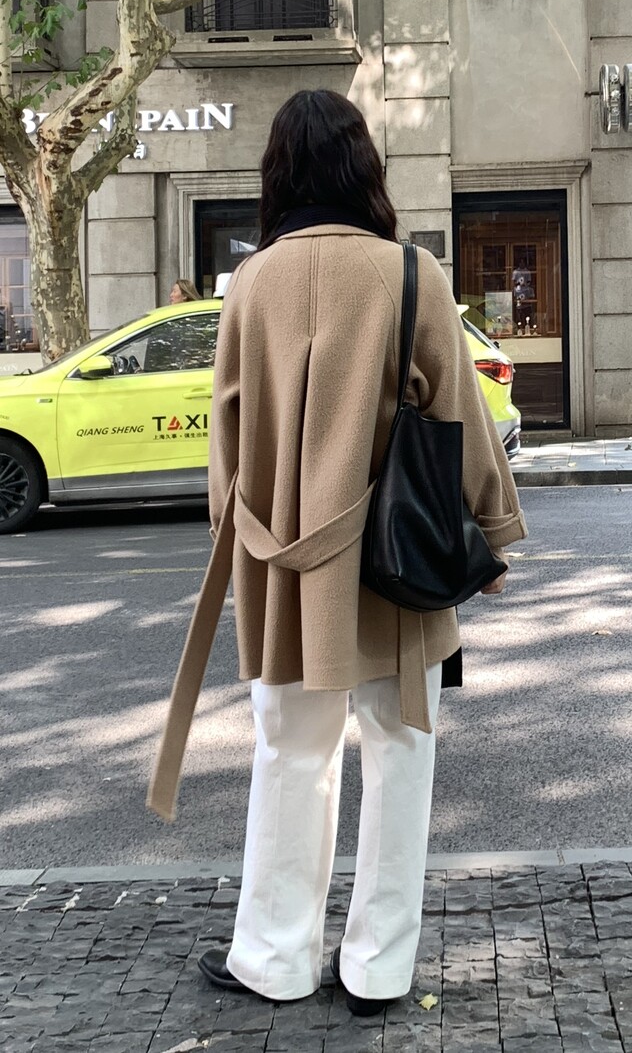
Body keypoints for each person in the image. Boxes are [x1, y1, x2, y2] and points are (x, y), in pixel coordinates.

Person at [147, 89, 526, 1013]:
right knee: (401, 754)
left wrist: (241, 542)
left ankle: (275, 959)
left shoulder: (251, 284)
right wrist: (492, 529)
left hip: (284, 564)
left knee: (290, 754)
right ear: (366, 167)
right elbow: (459, 420)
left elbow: (227, 439)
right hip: (397, 564)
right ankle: (377, 970)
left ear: (278, 171)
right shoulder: (411, 273)